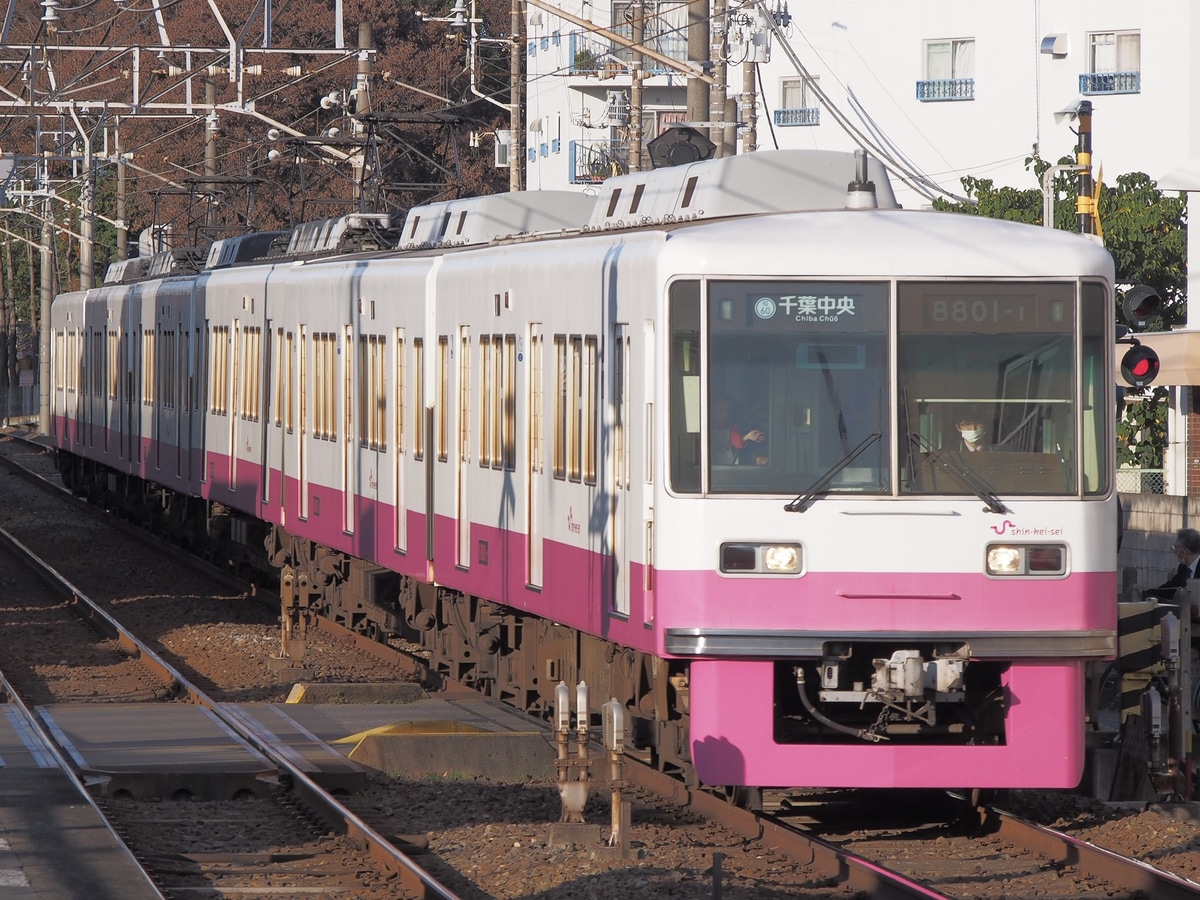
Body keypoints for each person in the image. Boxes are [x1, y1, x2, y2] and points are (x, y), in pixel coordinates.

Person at [1145, 528, 1200, 601]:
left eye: (1175, 547)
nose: (1175, 551)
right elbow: (1170, 588)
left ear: (1184, 550)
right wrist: (1145, 594)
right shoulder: (1183, 568)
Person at [711, 394, 766, 465]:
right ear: (713, 412)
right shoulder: (706, 429)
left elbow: (736, 441)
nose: (725, 415)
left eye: (728, 412)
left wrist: (747, 437)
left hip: (730, 467)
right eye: (721, 411)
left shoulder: (731, 429)